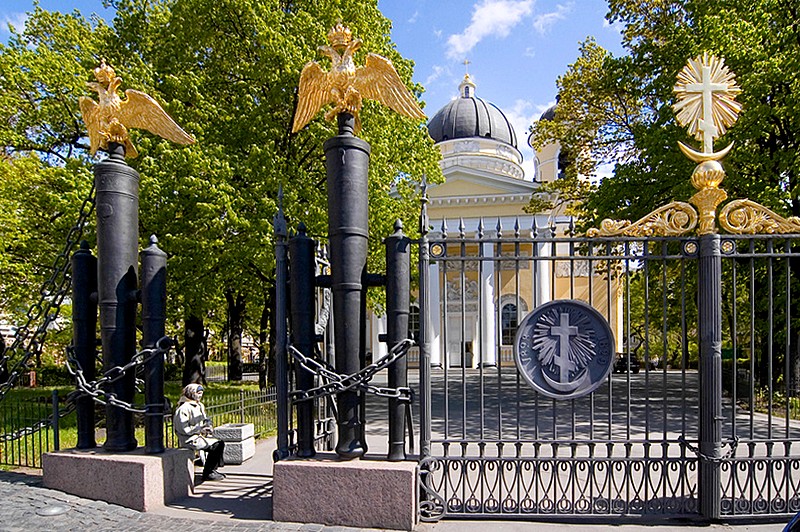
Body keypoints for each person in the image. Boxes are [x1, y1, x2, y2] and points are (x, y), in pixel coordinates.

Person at [173, 383, 226, 481]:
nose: (200, 396)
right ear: (191, 393)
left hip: (199, 436)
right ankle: (209, 472)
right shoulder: (183, 408)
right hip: (189, 439)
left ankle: (213, 469)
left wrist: (208, 424)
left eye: (201, 393)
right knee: (216, 446)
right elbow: (183, 429)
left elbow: (204, 418)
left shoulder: (199, 405)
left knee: (219, 443)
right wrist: (199, 429)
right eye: (198, 393)